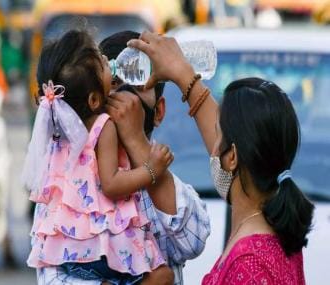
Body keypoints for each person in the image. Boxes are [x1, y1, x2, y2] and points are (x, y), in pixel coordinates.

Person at [128, 31, 314, 284]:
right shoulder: (277, 232)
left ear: (232, 157)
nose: (211, 148)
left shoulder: (249, 264)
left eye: (217, 133)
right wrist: (183, 74)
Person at [34, 31, 211, 285]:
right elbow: (51, 274)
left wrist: (136, 141)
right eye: (114, 83)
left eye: (138, 85)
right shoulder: (66, 180)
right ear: (94, 96)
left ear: (158, 111)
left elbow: (193, 240)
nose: (124, 98)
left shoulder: (158, 169)